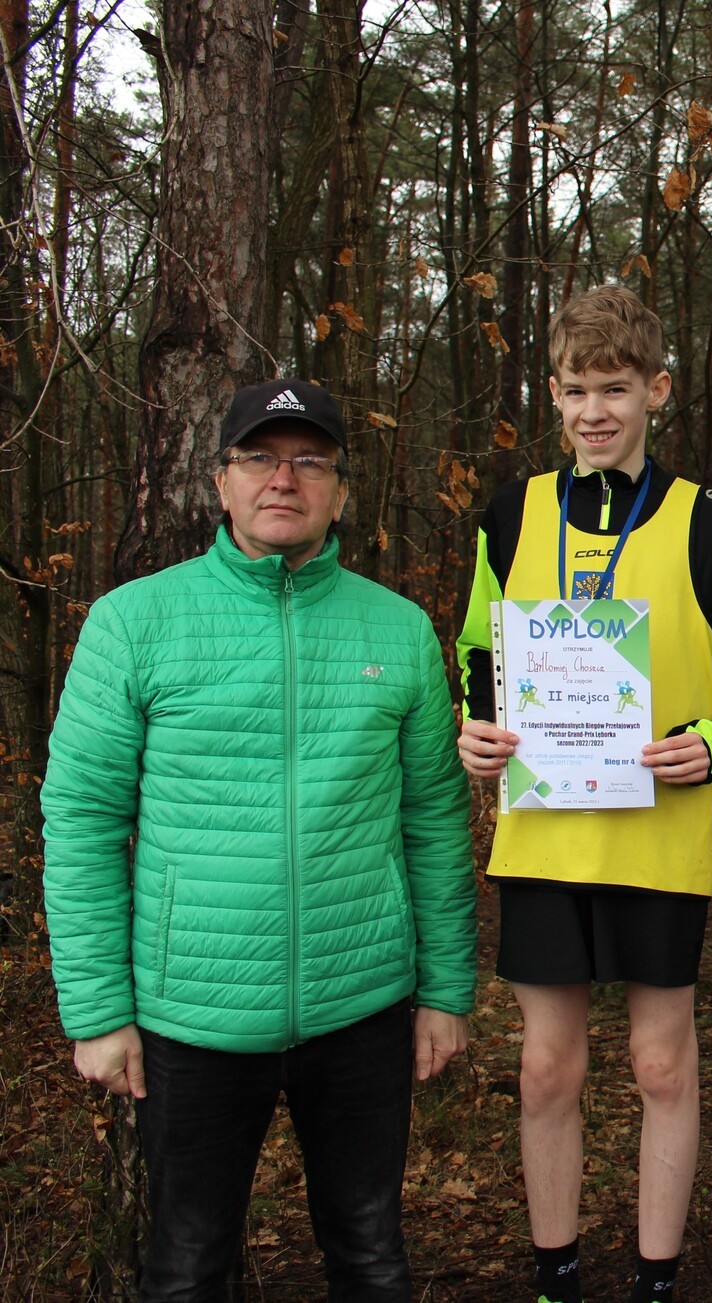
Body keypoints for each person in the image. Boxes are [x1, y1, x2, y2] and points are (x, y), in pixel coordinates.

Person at [42, 379, 476, 1300]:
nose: (284, 478)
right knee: (188, 1263)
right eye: (260, 458)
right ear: (221, 481)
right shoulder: (132, 623)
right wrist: (97, 1010)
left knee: (371, 1253)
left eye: (310, 460)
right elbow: (82, 818)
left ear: (340, 491)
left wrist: (444, 987)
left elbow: (434, 817)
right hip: (190, 1014)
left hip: (362, 1005)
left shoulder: (399, 631)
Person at [455, 286, 712, 1303]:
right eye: (575, 390)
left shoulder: (711, 522)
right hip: (543, 837)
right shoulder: (512, 513)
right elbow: (479, 651)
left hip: (659, 837)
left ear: (656, 390)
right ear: (552, 395)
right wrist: (478, 730)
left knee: (660, 1065)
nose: (593, 411)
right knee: (547, 1069)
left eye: (614, 388)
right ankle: (556, 1275)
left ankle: (656, 1279)